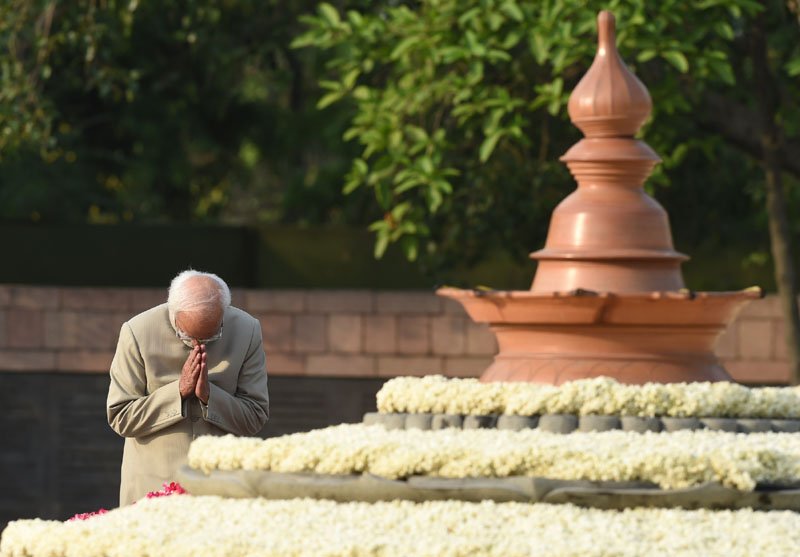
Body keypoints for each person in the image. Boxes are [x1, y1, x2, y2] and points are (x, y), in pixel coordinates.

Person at [107, 269, 269, 505]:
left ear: (224, 314)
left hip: (222, 490)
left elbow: (255, 416)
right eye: (185, 334)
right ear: (172, 312)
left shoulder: (247, 329)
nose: (197, 345)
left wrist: (209, 396)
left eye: (210, 337)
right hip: (151, 490)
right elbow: (120, 416)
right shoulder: (137, 331)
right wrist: (178, 392)